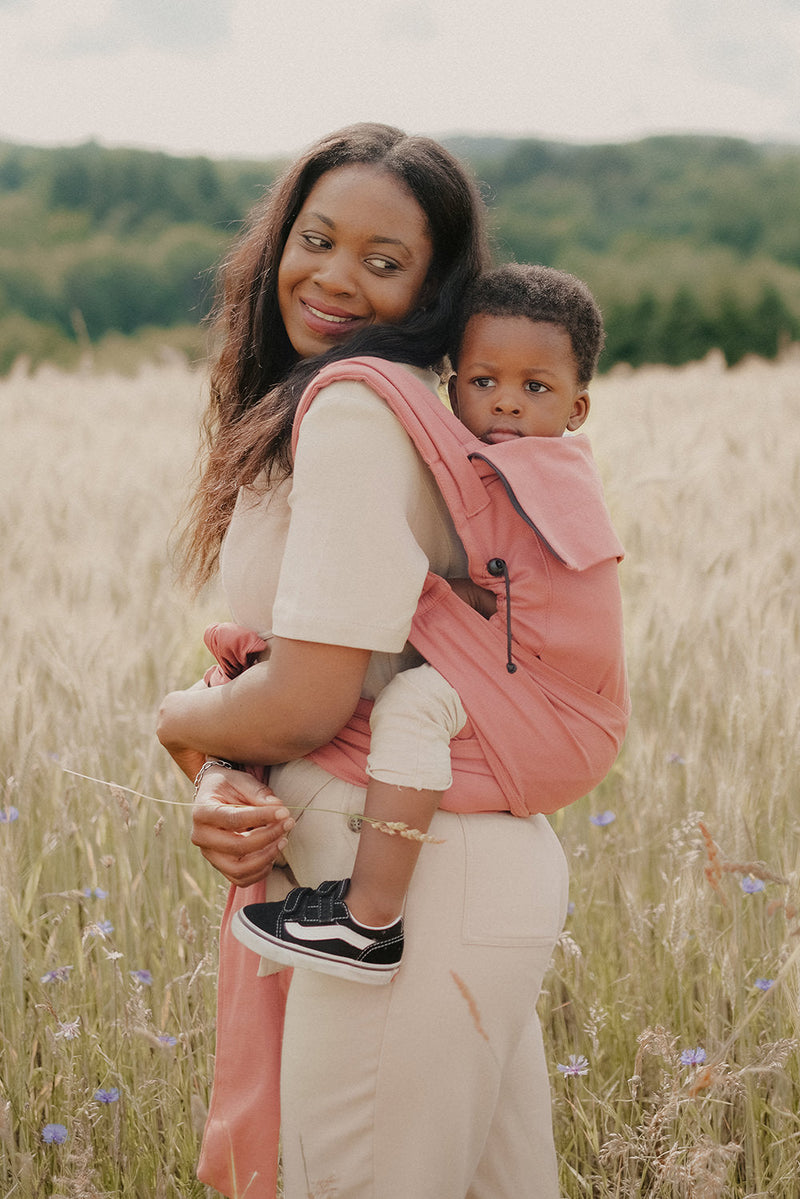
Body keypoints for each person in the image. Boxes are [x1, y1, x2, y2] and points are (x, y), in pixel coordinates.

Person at [157, 123, 574, 1199]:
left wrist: (175, 723)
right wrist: (217, 773)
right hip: (444, 873)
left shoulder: (353, 410)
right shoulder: (370, 410)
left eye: (383, 263)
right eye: (317, 239)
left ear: (434, 290)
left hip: (401, 887)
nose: (334, 279)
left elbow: (303, 701)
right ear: (276, 242)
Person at [231, 262, 625, 987]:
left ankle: (369, 917)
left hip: (551, 700)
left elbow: (514, 591)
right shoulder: (519, 459)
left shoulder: (541, 470)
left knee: (411, 707)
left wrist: (366, 384)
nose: (505, 404)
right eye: (483, 382)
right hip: (541, 697)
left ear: (577, 408)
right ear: (453, 387)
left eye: (534, 388)